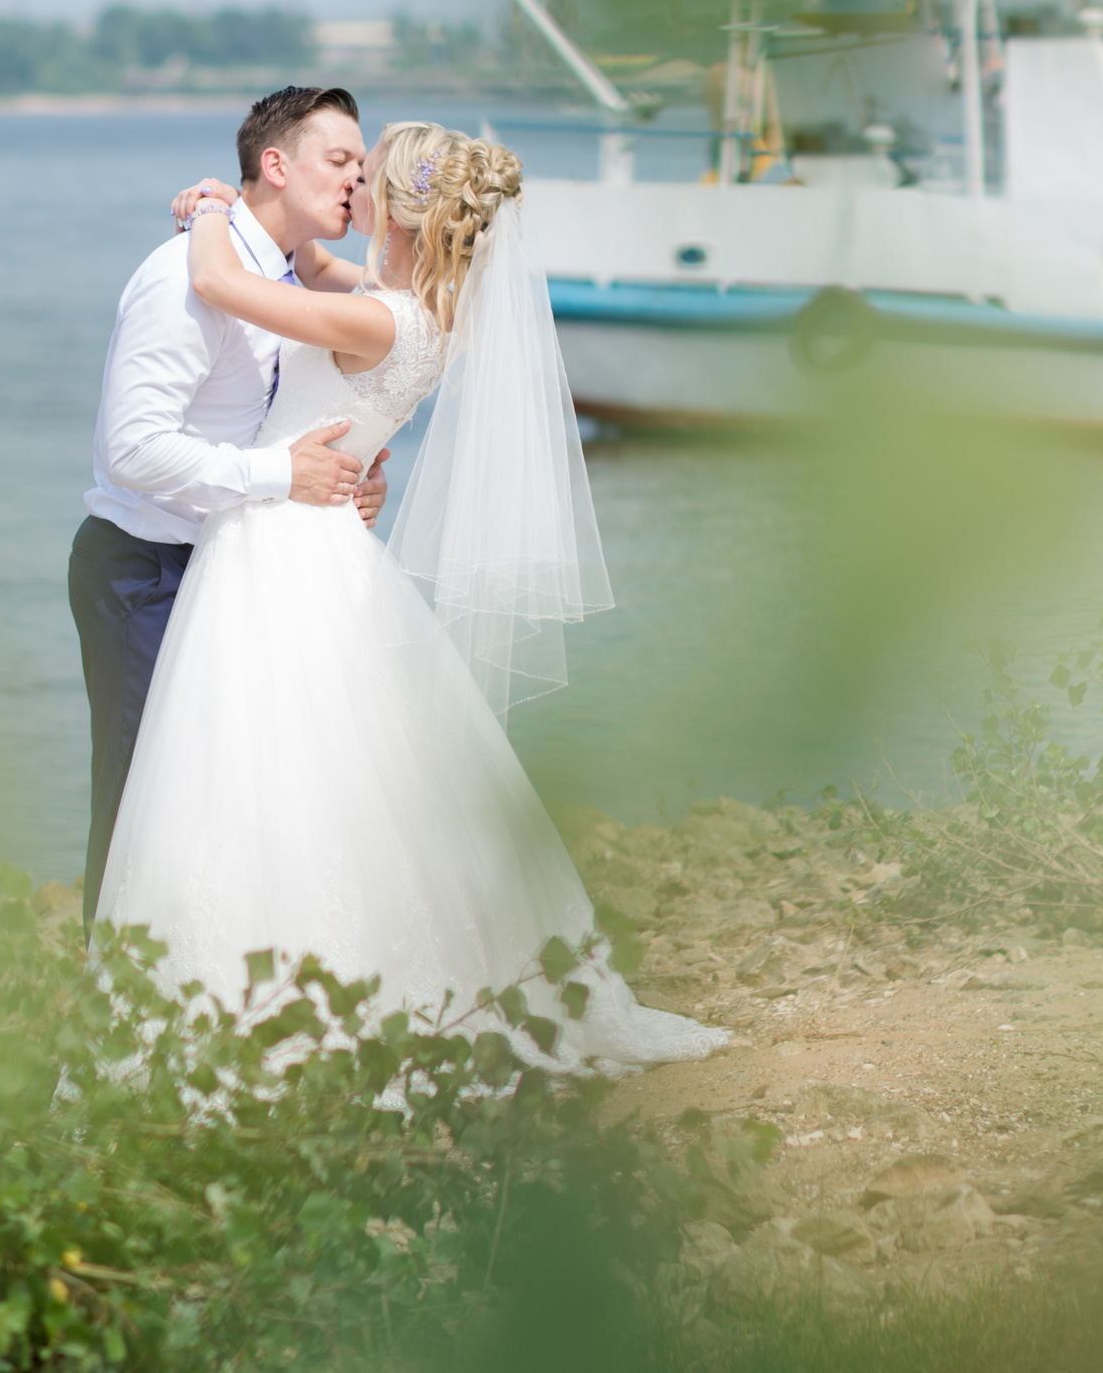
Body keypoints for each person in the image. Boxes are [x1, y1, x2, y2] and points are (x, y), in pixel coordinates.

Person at [96, 122, 725, 1068]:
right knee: (339, 766)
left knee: (261, 766)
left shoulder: (380, 318)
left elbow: (225, 286)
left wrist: (215, 208)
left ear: (395, 210)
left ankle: (252, 1000)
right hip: (326, 543)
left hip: (281, 544)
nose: (352, 186)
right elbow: (303, 265)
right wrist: (240, 218)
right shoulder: (424, 310)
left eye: (365, 175)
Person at [68, 87, 391, 928]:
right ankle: (110, 1022)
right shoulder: (185, 276)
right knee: (142, 801)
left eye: (363, 165)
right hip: (149, 571)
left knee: (230, 804)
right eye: (340, 160)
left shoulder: (285, 277)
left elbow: (284, 413)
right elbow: (131, 450)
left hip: (239, 571)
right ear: (276, 165)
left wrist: (345, 477)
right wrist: (281, 476)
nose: (357, 180)